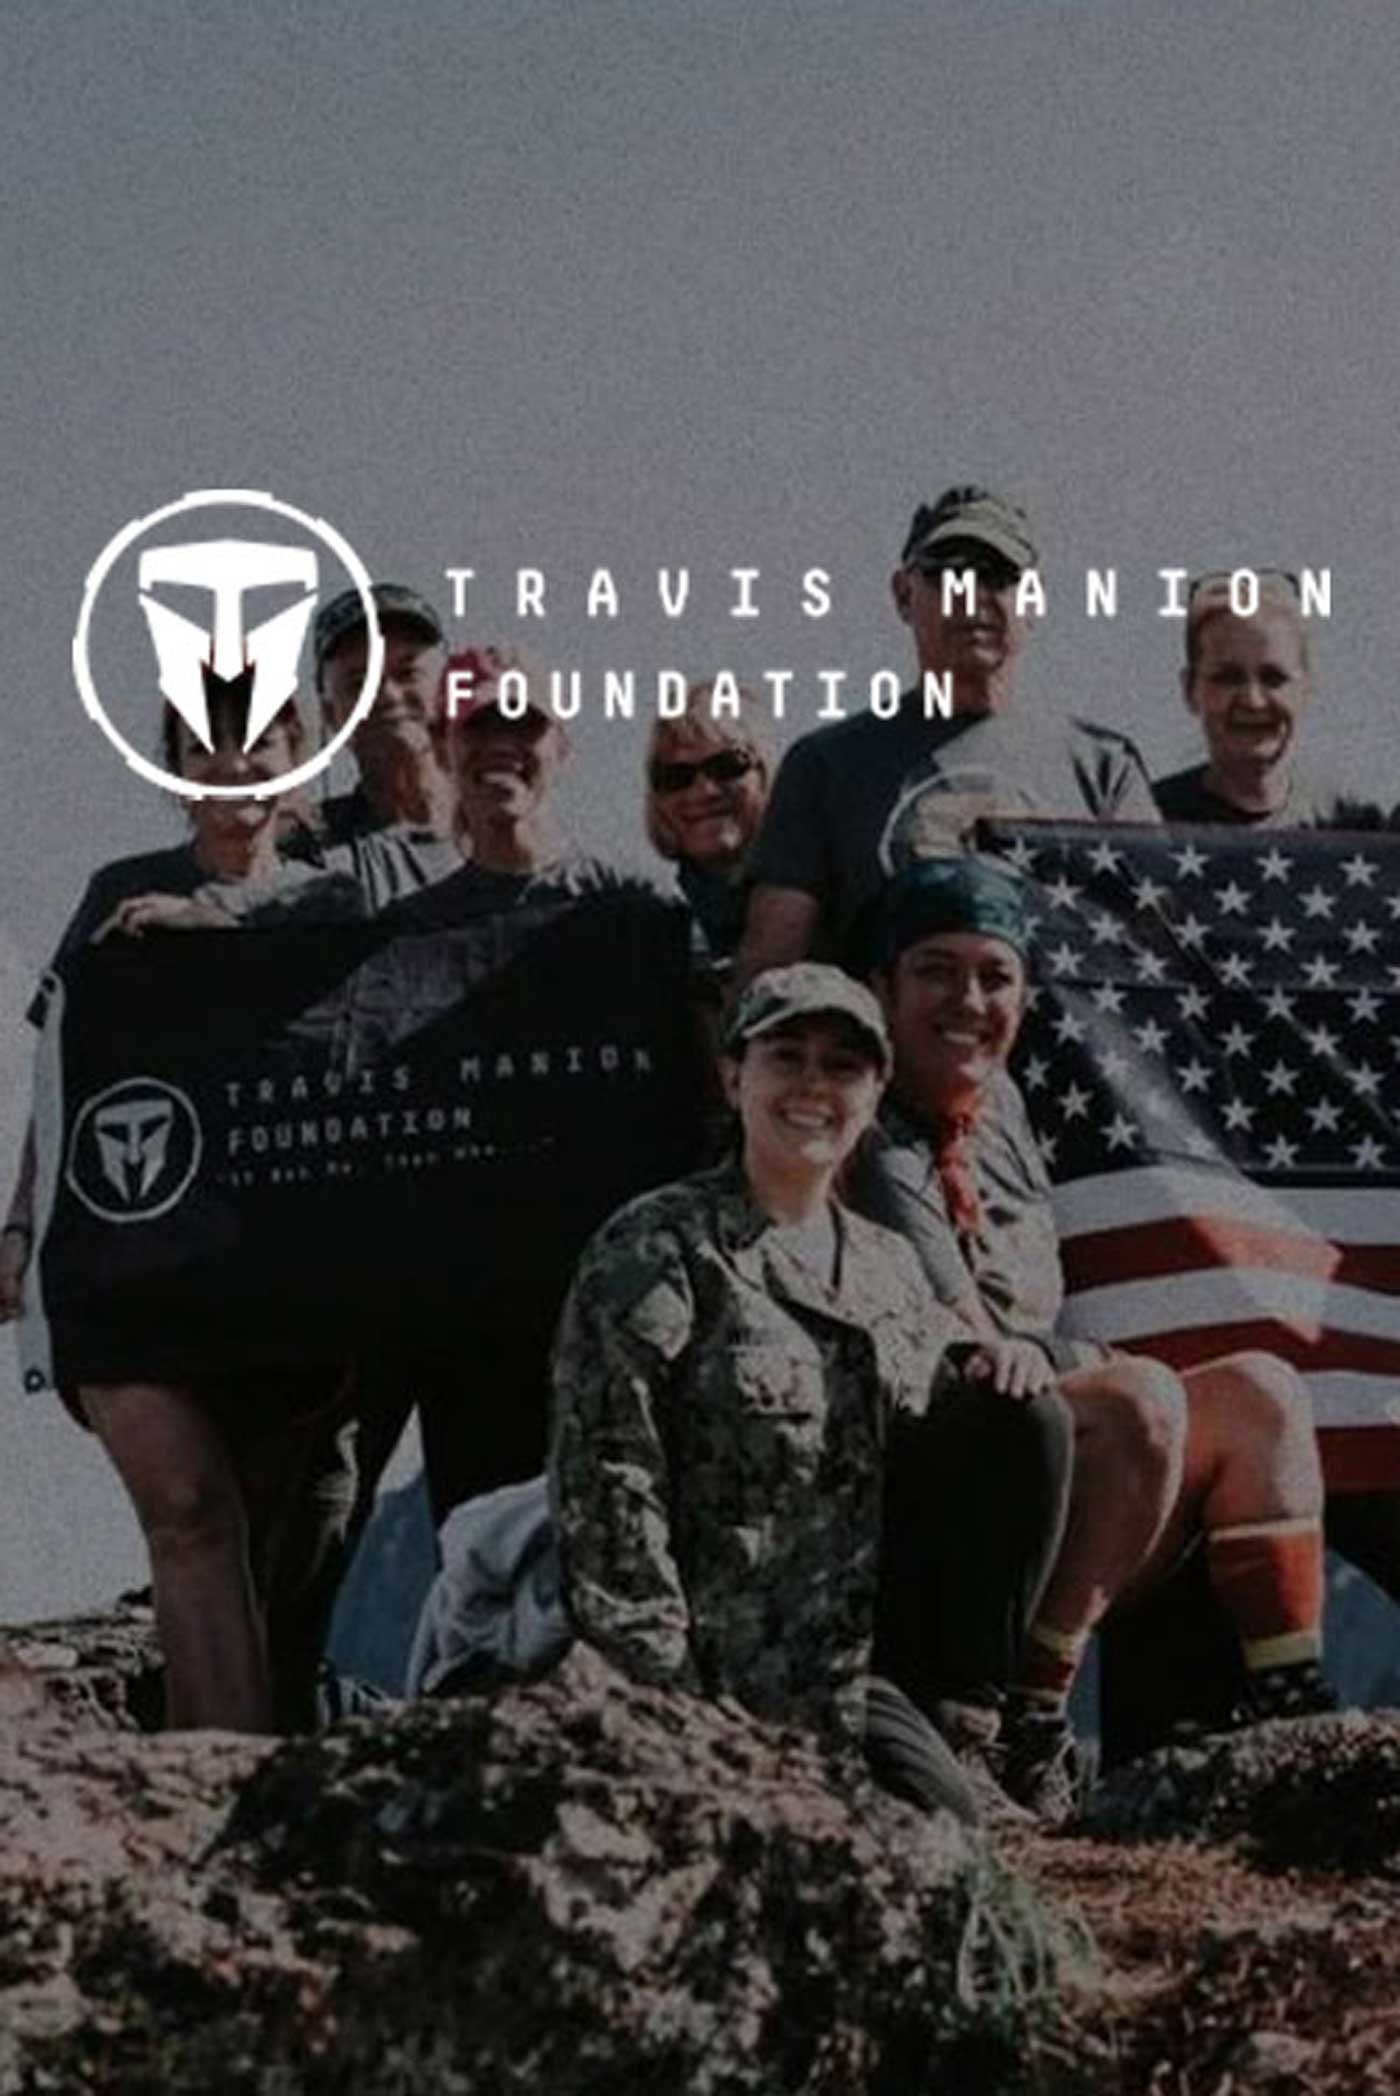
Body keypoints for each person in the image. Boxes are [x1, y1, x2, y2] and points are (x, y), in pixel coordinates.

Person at [856, 857, 1334, 1817]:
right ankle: (1019, 1725)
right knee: (1138, 1400)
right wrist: (1086, 1367)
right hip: (922, 1483)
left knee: (1260, 1394)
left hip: (1039, 1458)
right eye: (937, 971)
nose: (969, 1000)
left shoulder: (1008, 1112)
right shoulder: (864, 1127)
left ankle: (1294, 1719)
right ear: (883, 988)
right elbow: (966, 1335)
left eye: (996, 976)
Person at [0, 674, 364, 1733]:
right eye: (206, 746)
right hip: (133, 1259)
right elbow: (70, 1075)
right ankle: (215, 1771)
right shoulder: (118, 891)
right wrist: (24, 1224)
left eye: (261, 744)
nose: (235, 768)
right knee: (188, 1508)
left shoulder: (337, 893)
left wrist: (220, 921)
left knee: (276, 1538)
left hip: (285, 1276)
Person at [551, 963, 986, 1813]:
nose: (813, 1087)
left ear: (876, 1089)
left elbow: (943, 1466)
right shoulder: (658, 1248)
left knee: (947, 1830)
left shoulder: (892, 1269)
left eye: (843, 1066)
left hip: (849, 1678)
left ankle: (979, 1731)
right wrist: (663, 1705)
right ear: (732, 1075)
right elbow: (607, 1483)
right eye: (787, 1057)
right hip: (708, 1671)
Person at [736, 485, 1160, 982]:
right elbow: (771, 970)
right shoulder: (826, 766)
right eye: (950, 575)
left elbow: (1157, 947)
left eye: (998, 578)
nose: (974, 597)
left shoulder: (1102, 767)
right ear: (903, 594)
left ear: (1033, 601)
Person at [1154, 571, 1383, 827]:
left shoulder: (1352, 827)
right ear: (1190, 690)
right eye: (1229, 678)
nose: (1253, 701)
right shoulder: (1145, 824)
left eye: (1274, 678)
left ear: (1306, 688)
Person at [312, 582, 461, 902]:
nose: (388, 695)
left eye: (407, 673)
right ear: (330, 714)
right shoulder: (305, 850)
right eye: (358, 682)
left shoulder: (511, 824)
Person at [644, 681, 772, 964]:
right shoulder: (642, 923)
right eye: (676, 777)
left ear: (765, 774)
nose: (703, 791)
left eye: (726, 766)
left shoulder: (824, 902)